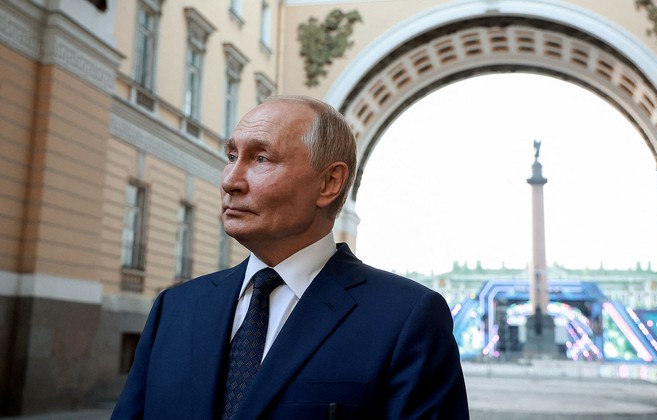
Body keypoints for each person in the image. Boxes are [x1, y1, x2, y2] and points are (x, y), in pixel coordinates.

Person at [112, 95, 469, 419]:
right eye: (232, 156)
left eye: (261, 158)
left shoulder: (407, 319)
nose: (230, 181)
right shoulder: (175, 309)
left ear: (329, 183)